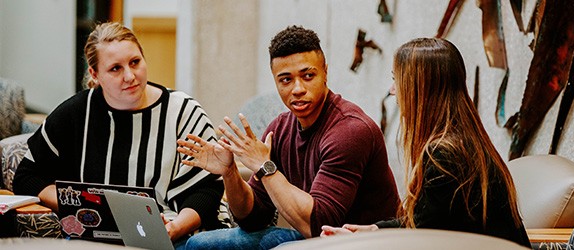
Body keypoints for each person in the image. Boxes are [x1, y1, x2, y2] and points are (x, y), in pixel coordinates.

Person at [176, 25, 400, 249]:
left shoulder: (350, 130)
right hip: (316, 239)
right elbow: (253, 218)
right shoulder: (280, 128)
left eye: (308, 76)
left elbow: (319, 225)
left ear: (325, 73)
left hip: (362, 243)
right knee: (198, 243)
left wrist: (265, 166)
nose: (298, 89)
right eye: (286, 80)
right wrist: (230, 173)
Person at [13, 22, 226, 247]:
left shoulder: (183, 111)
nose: (130, 76)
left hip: (182, 235)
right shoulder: (76, 114)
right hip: (101, 239)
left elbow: (207, 188)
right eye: (115, 68)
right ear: (95, 74)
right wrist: (79, 205)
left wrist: (174, 228)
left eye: (135, 62)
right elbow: (27, 176)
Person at [320, 38, 531, 247]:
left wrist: (361, 243)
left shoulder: (444, 155)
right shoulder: (464, 143)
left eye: (397, 80)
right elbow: (427, 222)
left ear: (419, 88)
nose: (393, 90)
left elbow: (420, 239)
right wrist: (374, 231)